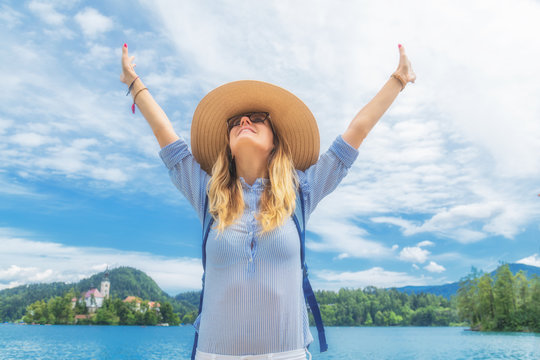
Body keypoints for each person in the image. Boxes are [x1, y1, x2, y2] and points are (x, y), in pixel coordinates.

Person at [120, 43, 415, 360]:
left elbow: (357, 131)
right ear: (229, 144)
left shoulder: (302, 191)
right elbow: (165, 133)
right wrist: (133, 83)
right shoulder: (208, 195)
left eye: (256, 118)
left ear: (275, 141)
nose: (244, 122)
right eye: (235, 121)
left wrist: (398, 79)